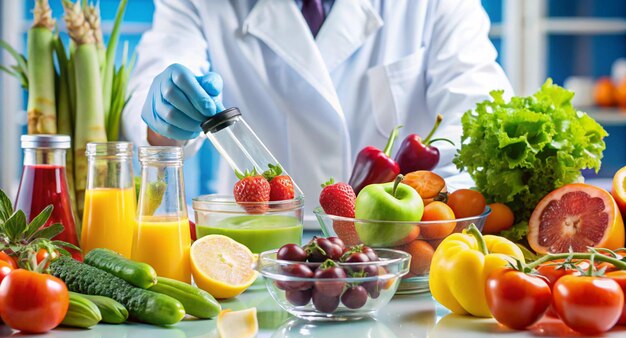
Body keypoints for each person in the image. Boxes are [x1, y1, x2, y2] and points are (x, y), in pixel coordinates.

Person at [123, 0, 512, 220]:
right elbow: (156, 87)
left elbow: (481, 119)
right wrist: (167, 117)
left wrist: (429, 226)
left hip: (400, 257)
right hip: (259, 253)